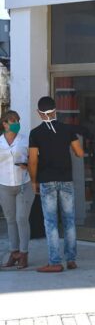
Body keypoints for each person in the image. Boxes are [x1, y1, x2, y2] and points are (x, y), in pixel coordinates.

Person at [28, 96, 84, 273]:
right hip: (66, 179)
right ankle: (71, 259)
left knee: (50, 222)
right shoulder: (67, 129)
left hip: (46, 180)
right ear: (55, 110)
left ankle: (55, 262)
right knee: (69, 220)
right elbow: (79, 153)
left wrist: (33, 181)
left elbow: (32, 161)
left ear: (39, 113)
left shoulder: (35, 133)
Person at [0, 111, 35, 269]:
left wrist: (26, 165)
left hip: (24, 184)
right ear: (5, 124)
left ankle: (24, 254)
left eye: (18, 120)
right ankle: (13, 253)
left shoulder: (25, 140)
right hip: (4, 186)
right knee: (10, 220)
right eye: (12, 120)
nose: (16, 123)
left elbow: (35, 160)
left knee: (22, 219)